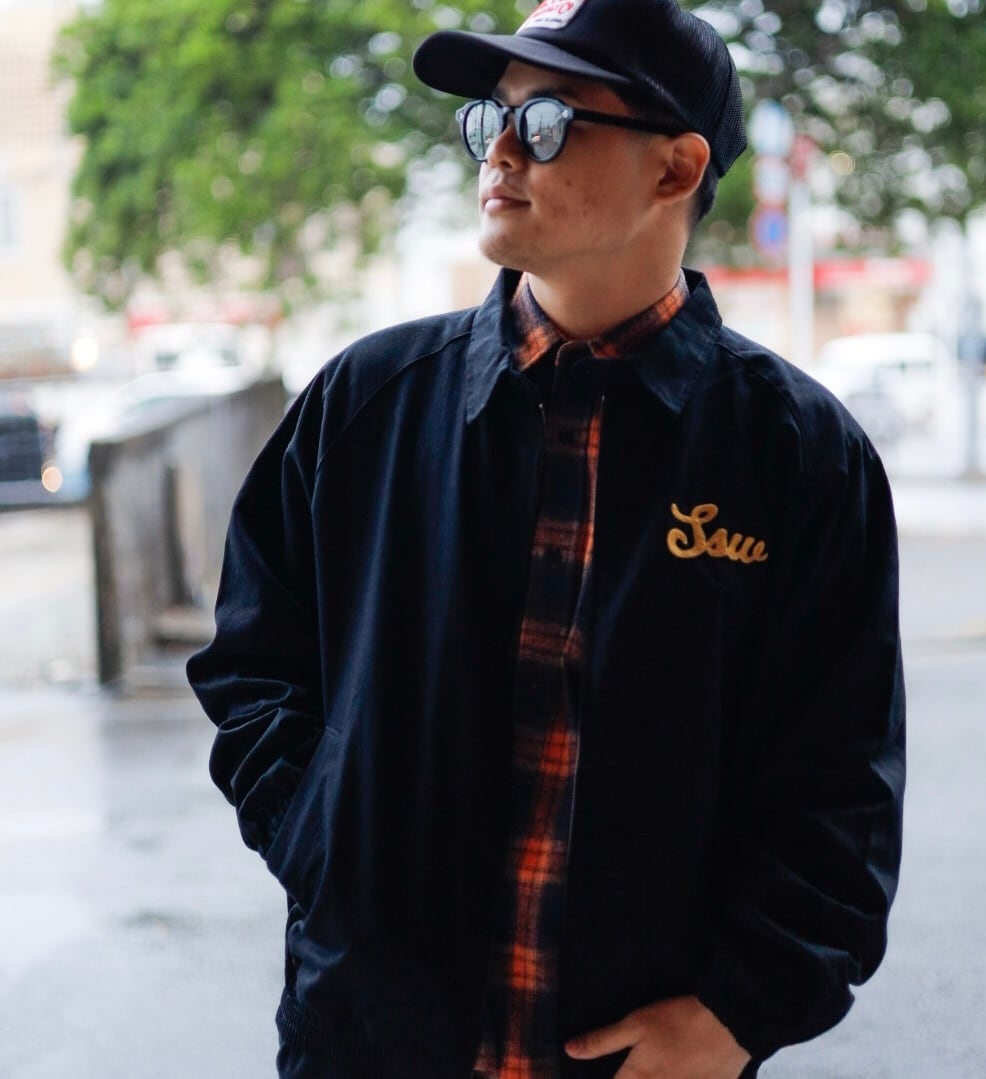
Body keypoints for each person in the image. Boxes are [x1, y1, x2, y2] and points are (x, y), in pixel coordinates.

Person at [187, 1, 906, 1076]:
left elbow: (841, 781)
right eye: (493, 118)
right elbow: (251, 664)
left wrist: (735, 1010)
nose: (502, 151)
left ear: (674, 169)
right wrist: (327, 841)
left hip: (643, 1054)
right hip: (370, 1040)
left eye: (550, 121)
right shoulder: (368, 402)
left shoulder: (797, 453)